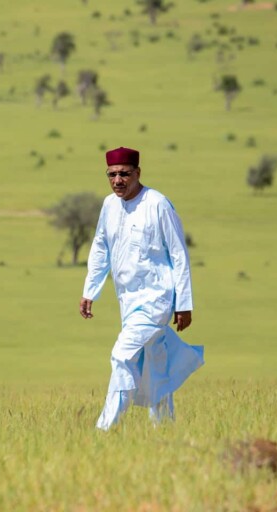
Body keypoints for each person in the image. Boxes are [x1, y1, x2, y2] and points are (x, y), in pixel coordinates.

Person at [80, 146, 204, 430]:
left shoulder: (158, 204)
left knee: (122, 354)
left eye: (124, 174)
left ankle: (104, 429)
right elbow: (100, 248)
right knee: (155, 364)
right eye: (112, 175)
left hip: (157, 299)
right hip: (128, 299)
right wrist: (90, 291)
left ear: (137, 173)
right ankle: (164, 429)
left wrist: (183, 303)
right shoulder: (109, 206)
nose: (118, 180)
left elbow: (178, 254)